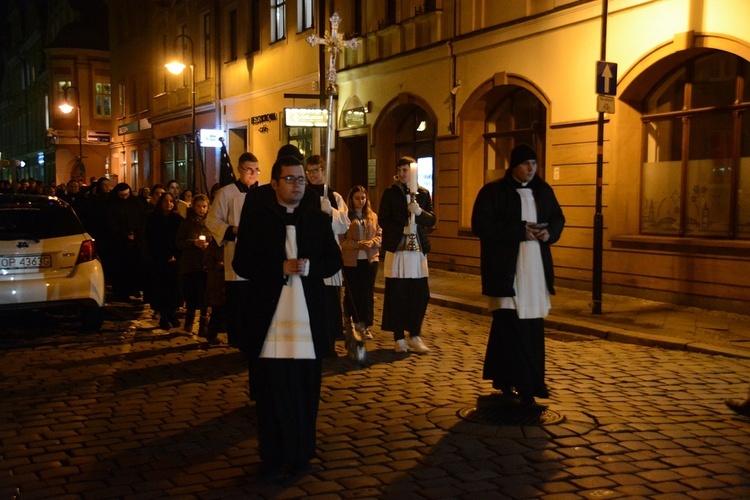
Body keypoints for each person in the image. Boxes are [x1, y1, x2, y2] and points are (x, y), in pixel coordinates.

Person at [233, 154, 343, 480]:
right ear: (275, 182)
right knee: (271, 391)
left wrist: (312, 269)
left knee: (306, 390)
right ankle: (272, 454)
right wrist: (278, 268)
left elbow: (333, 262)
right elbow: (242, 264)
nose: (297, 185)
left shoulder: (317, 217)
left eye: (301, 179)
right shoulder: (258, 217)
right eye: (290, 179)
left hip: (307, 319)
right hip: (271, 319)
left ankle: (301, 452)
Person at [471, 143, 565, 410]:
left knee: (531, 329)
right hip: (507, 271)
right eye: (526, 164)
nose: (531, 169)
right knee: (508, 328)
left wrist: (549, 233)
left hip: (535, 269)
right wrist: (518, 230)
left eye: (534, 164)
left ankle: (531, 383)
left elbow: (558, 218)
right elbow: (482, 225)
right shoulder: (493, 192)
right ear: (513, 166)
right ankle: (508, 380)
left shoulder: (543, 191)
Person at [378, 156, 436, 354]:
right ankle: (398, 337)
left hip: (417, 251)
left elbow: (431, 220)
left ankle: (415, 334)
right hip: (398, 249)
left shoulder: (423, 193)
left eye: (406, 170)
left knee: (420, 294)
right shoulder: (391, 193)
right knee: (397, 294)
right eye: (400, 170)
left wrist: (419, 213)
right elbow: (383, 220)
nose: (403, 174)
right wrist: (401, 228)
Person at [205, 152, 260, 346]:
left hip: (259, 257)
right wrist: (232, 230)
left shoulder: (263, 193)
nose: (253, 174)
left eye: (256, 170)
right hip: (235, 252)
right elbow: (212, 220)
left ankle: (255, 339)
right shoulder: (226, 193)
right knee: (238, 302)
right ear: (239, 169)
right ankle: (238, 340)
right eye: (249, 170)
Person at [305, 155, 350, 356]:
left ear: (324, 171)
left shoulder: (334, 196)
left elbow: (344, 224)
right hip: (308, 253)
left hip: (328, 253)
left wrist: (330, 211)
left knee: (330, 302)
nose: (312, 175)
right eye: (309, 171)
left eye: (316, 171)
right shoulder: (303, 194)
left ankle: (329, 343)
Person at [341, 185, 381, 339]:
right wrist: (356, 245)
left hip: (370, 259)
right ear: (351, 199)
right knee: (353, 293)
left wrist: (372, 243)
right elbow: (341, 240)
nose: (360, 201)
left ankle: (364, 324)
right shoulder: (345, 217)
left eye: (363, 198)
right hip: (352, 260)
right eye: (357, 198)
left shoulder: (372, 216)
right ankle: (350, 320)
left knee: (367, 293)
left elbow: (380, 234)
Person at [146, 191, 184, 329]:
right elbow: (151, 241)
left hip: (175, 260)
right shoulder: (153, 219)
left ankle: (172, 314)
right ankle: (163, 316)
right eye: (165, 201)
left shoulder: (178, 220)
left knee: (174, 289)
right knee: (161, 289)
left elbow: (180, 240)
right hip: (159, 260)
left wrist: (175, 255)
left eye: (171, 201)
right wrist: (162, 255)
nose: (168, 204)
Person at [176, 194, 212, 337]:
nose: (201, 209)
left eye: (204, 206)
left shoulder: (211, 222)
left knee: (205, 296)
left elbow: (216, 240)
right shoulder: (186, 223)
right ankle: (189, 323)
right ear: (193, 207)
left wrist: (208, 245)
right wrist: (193, 243)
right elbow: (179, 242)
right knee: (191, 294)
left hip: (206, 264)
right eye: (198, 206)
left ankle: (203, 326)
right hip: (191, 264)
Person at [106, 182, 148, 301]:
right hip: (119, 243)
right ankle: (121, 292)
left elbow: (142, 219)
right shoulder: (112, 204)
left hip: (136, 242)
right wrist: (123, 235)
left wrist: (136, 234)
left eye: (126, 195)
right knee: (121, 269)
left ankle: (134, 289)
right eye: (122, 196)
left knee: (135, 267)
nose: (125, 198)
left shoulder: (136, 202)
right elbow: (111, 222)